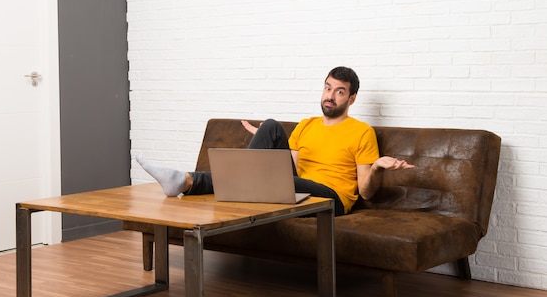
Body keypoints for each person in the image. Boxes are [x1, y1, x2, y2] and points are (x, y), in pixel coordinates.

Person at [136, 66, 414, 216]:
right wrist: (262, 144)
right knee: (269, 127)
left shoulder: (361, 131)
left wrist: (377, 167)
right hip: (299, 187)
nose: (330, 96)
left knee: (272, 181)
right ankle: (185, 181)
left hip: (332, 198)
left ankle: (187, 181)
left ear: (351, 99)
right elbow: (285, 168)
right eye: (328, 88)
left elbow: (365, 193)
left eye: (340, 92)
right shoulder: (306, 125)